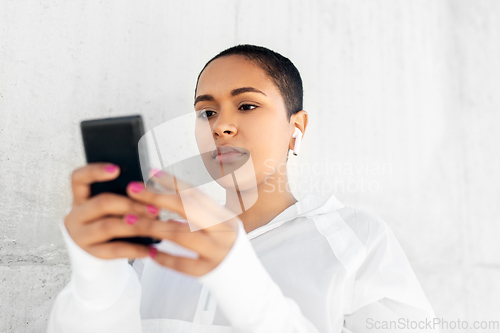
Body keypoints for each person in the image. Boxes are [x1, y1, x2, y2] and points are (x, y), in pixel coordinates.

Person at [47, 44, 438, 332]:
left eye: (247, 106)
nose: (220, 126)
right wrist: (97, 273)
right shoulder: (159, 241)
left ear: (296, 128)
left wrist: (238, 278)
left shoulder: (356, 240)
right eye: (207, 112)